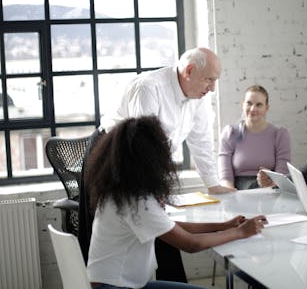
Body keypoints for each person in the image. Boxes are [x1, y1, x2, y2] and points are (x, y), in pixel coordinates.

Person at [79, 47, 234, 281]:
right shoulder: (149, 88)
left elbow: (200, 141)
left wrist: (213, 184)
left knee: (161, 224)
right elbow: (143, 144)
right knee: (140, 225)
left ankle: (172, 282)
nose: (212, 87)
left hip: (145, 163)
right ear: (189, 71)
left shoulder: (198, 96)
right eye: (209, 79)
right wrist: (154, 189)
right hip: (115, 156)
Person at [85, 116, 266, 289]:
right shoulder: (138, 201)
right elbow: (191, 244)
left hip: (113, 283)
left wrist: (223, 225)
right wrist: (240, 232)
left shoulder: (119, 191)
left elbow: (172, 227)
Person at [218, 85, 291, 189]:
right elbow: (225, 177)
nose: (253, 109)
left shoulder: (279, 135)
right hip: (238, 191)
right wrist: (230, 194)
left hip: (268, 189)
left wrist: (270, 184)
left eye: (259, 105)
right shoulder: (230, 133)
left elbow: (282, 175)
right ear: (242, 105)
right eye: (249, 103)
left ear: (267, 108)